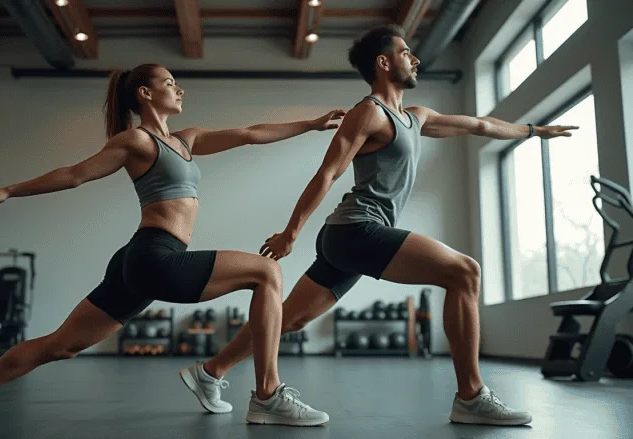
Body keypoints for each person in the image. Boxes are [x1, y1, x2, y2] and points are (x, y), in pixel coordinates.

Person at [179, 25, 578, 427]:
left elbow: (479, 125)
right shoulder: (369, 113)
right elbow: (328, 173)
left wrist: (533, 131)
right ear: (384, 63)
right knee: (464, 271)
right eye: (407, 52)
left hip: (350, 238)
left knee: (290, 318)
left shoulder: (415, 117)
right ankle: (471, 397)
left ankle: (210, 371)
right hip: (355, 230)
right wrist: (291, 233)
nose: (415, 59)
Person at [0, 63, 346, 428]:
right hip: (153, 256)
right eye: (169, 82)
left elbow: (251, 133)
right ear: (145, 93)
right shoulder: (136, 142)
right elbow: (74, 174)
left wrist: (311, 123)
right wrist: (10, 190)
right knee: (267, 271)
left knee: (63, 345)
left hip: (139, 259)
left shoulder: (186, 140)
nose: (178, 89)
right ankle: (267, 395)